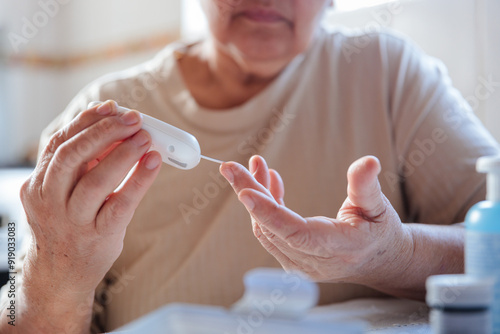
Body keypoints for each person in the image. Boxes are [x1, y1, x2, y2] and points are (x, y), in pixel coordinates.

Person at [1, 0, 499, 333]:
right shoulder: (102, 116)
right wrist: (53, 278)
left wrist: (393, 255)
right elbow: (12, 314)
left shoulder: (387, 74)